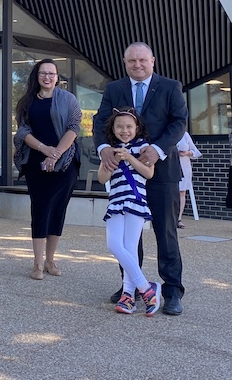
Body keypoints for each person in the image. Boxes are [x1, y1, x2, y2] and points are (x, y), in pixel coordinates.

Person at [92, 42, 187, 315]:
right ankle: (130, 288)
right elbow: (100, 122)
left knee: (166, 232)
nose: (138, 65)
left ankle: (172, 291)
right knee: (127, 237)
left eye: (142, 60)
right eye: (132, 61)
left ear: (153, 61)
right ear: (125, 63)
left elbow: (179, 122)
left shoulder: (170, 87)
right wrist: (104, 148)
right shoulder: (114, 89)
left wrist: (157, 150)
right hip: (125, 175)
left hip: (162, 172)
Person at [11, 59, 81, 280]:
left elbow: (73, 128)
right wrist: (44, 149)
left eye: (52, 73)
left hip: (66, 163)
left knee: (58, 210)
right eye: (43, 73)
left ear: (58, 77)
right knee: (40, 210)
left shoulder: (69, 99)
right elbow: (22, 132)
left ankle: (51, 260)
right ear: (37, 76)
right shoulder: (26, 102)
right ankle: (37, 264)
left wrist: (56, 153)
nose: (48, 77)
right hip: (35, 162)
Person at [98, 107, 160, 316]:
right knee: (113, 244)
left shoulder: (144, 148)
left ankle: (128, 296)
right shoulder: (110, 149)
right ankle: (147, 288)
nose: (124, 131)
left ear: (136, 128)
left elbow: (149, 173)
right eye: (120, 127)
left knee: (130, 247)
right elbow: (102, 178)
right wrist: (112, 159)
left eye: (129, 127)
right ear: (113, 129)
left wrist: (129, 158)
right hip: (116, 201)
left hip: (135, 200)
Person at [176, 129, 201, 228]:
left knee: (182, 192)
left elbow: (196, 152)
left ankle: (179, 218)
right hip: (171, 166)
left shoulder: (185, 135)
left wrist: (187, 153)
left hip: (184, 166)